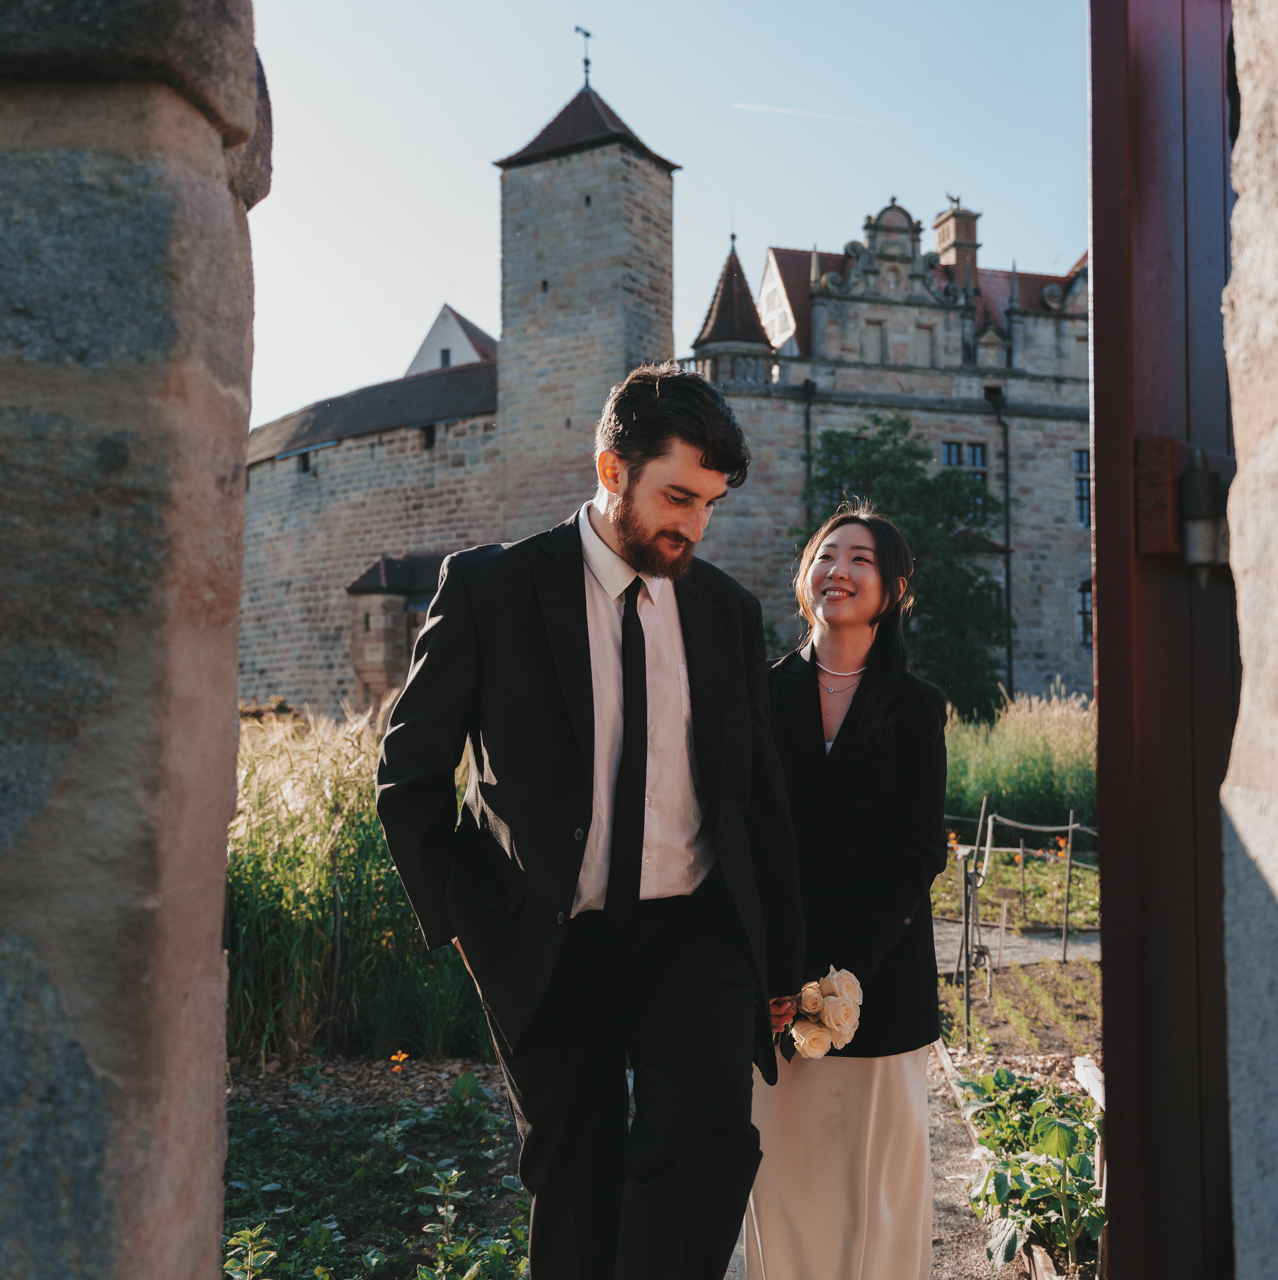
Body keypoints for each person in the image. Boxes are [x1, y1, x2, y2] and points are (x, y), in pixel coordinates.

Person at [375, 362, 803, 1280]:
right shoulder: (490, 590)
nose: (695, 526)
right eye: (678, 497)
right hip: (550, 937)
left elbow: (757, 801)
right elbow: (409, 775)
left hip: (694, 932)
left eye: (710, 504)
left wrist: (779, 956)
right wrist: (469, 922)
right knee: (575, 1171)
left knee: (707, 1142)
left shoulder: (726, 611)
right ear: (612, 470)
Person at [743, 508, 950, 1280]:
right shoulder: (760, 694)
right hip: (775, 985)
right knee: (787, 1180)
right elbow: (745, 840)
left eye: (861, 559)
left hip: (882, 977)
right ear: (806, 579)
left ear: (893, 588)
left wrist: (844, 974)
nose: (839, 570)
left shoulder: (917, 705)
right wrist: (777, 973)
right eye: (826, 555)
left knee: (875, 1185)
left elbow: (918, 850)